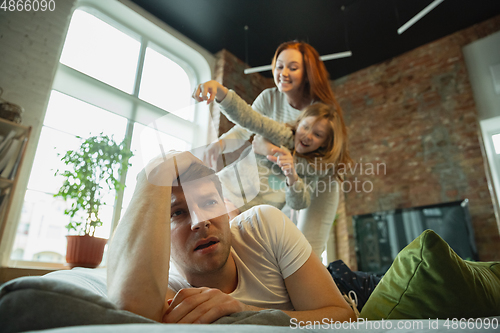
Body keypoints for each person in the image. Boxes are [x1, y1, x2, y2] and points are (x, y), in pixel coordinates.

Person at [107, 150, 356, 324]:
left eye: (209, 202)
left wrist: (246, 312)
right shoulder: (168, 288)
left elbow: (344, 316)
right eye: (178, 213)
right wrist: (153, 175)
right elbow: (129, 313)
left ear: (227, 212)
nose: (199, 221)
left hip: (349, 284)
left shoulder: (263, 225)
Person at [193, 41, 351, 256]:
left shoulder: (321, 114)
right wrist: (221, 100)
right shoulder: (277, 111)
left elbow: (319, 170)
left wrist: (268, 149)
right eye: (279, 66)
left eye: (293, 68)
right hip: (258, 182)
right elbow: (249, 122)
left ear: (307, 73)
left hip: (311, 181)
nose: (283, 73)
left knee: (305, 247)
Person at [194, 88, 348, 218]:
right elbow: (251, 118)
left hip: (248, 215)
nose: (307, 136)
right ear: (298, 122)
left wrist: (292, 176)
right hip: (222, 189)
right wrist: (221, 93)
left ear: (325, 143)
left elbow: (299, 203)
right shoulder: (280, 134)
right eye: (305, 127)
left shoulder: (313, 169)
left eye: (318, 135)